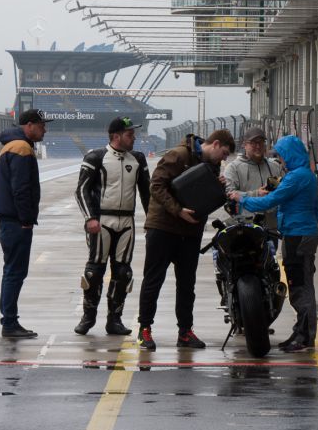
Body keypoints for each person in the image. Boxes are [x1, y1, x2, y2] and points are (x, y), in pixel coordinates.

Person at [136, 129, 235, 350]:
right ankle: (144, 330)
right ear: (216, 144)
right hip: (163, 227)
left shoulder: (212, 165)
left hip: (190, 231)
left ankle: (185, 332)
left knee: (187, 284)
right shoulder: (179, 155)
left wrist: (217, 187)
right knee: (154, 280)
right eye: (225, 153)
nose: (224, 159)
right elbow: (156, 185)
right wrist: (178, 210)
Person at [229, 135, 318, 353]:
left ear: (290, 154)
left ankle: (305, 336)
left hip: (297, 235)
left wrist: (242, 199)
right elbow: (315, 209)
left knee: (300, 286)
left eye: (282, 155)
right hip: (303, 232)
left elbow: (270, 201)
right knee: (301, 282)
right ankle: (301, 331)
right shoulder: (305, 175)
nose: (281, 160)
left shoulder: (295, 177)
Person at [73, 117, 150, 337]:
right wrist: (90, 218)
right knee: (94, 271)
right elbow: (81, 190)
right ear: (116, 136)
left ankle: (114, 320)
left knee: (123, 272)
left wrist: (151, 221)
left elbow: (147, 194)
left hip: (127, 222)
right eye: (129, 134)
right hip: (101, 221)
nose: (134, 137)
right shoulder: (96, 157)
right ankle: (88, 317)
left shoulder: (138, 159)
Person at [0, 108, 53, 339]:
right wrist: (26, 219)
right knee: (15, 273)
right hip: (16, 222)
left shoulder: (13, 145)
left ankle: (9, 320)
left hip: (8, 220)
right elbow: (21, 189)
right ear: (29, 125)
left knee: (11, 271)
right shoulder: (21, 148)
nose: (44, 129)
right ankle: (9, 322)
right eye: (41, 124)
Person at [223, 126, 283, 229]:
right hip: (245, 227)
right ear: (244, 145)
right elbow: (229, 194)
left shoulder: (275, 166)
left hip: (271, 227)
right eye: (253, 143)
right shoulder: (233, 168)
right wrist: (256, 194)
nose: (258, 146)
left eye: (261, 142)